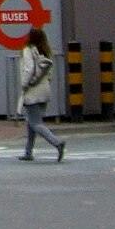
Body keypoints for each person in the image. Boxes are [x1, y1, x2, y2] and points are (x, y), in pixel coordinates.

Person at [17, 26, 66, 162]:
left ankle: (57, 142)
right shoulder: (46, 51)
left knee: (36, 123)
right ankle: (28, 151)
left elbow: (29, 69)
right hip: (44, 90)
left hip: (32, 91)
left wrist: (25, 84)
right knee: (32, 122)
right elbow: (49, 73)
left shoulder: (28, 50)